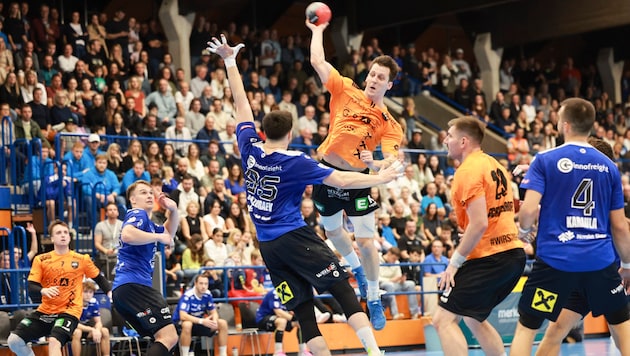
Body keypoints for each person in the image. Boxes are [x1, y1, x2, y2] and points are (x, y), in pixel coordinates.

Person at [207, 34, 403, 356]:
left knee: (305, 317)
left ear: (262, 132)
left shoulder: (249, 149)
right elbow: (340, 178)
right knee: (342, 289)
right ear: (291, 134)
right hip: (295, 237)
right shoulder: (296, 162)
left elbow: (241, 106)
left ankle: (370, 291)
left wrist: (229, 62)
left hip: (268, 247)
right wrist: (379, 178)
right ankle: (375, 352)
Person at [509, 98, 630, 356]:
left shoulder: (549, 161)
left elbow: (533, 208)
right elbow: (620, 227)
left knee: (529, 329)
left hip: (561, 263)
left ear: (564, 124)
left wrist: (522, 232)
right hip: (598, 267)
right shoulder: (609, 170)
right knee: (560, 334)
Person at [306, 19, 404, 331]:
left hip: (359, 181)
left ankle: (373, 296)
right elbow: (317, 61)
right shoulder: (345, 88)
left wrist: (374, 163)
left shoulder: (389, 122)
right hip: (327, 175)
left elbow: (390, 160)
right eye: (373, 73)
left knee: (366, 241)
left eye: (382, 77)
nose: (375, 79)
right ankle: (357, 271)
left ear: (389, 85)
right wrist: (318, 32)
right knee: (333, 233)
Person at [432, 116, 525, 356]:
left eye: (450, 136)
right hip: (512, 255)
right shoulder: (494, 165)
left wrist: (453, 264)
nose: (445, 140)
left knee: (442, 319)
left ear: (463, 141)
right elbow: (502, 208)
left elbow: (479, 223)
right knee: (473, 319)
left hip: (489, 257)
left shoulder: (468, 170)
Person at [8, 220, 111, 356]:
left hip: (69, 312)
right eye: (58, 232)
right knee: (14, 340)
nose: (63, 235)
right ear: (52, 238)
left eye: (65, 232)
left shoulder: (82, 259)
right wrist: (43, 290)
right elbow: (31, 285)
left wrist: (110, 292)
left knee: (54, 341)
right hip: (45, 312)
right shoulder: (41, 259)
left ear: (69, 237)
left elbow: (100, 278)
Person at [112, 180, 180, 355]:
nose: (149, 195)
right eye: (143, 192)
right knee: (169, 337)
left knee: (164, 339)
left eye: (151, 192)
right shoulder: (138, 214)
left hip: (126, 290)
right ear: (133, 199)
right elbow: (127, 235)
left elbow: (168, 234)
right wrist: (158, 238)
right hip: (133, 286)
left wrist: (173, 210)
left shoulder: (148, 225)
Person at [173, 273, 229, 356]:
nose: (203, 286)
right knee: (187, 324)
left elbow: (213, 312)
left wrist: (214, 320)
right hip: (181, 325)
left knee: (222, 323)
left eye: (206, 284)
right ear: (195, 284)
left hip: (200, 323)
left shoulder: (207, 294)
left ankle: (223, 354)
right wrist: (202, 321)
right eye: (201, 283)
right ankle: (184, 354)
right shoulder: (187, 295)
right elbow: (183, 316)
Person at [256, 288, 313, 356]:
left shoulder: (288, 293)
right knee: (282, 322)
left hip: (280, 319)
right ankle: (278, 352)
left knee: (300, 323)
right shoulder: (275, 292)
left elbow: (289, 310)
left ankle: (302, 351)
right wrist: (293, 318)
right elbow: (278, 312)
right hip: (263, 319)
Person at [71, 280, 111, 356]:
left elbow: (98, 322)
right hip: (73, 329)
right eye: (85, 292)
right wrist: (93, 329)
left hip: (87, 330)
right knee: (77, 332)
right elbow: (75, 324)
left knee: (104, 331)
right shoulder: (74, 303)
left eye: (91, 292)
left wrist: (97, 330)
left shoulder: (94, 302)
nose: (88, 295)